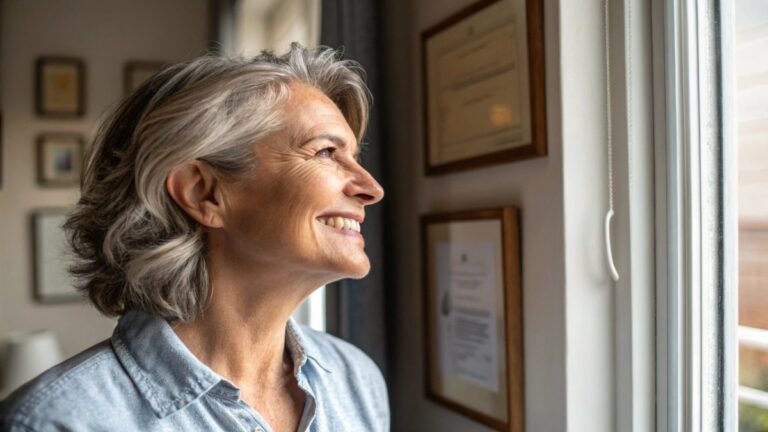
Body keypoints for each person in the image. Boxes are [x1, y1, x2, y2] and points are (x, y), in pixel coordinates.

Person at [0, 44, 389, 431]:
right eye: (325, 152)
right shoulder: (54, 421)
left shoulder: (355, 379)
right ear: (203, 192)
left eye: (355, 157)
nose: (371, 188)